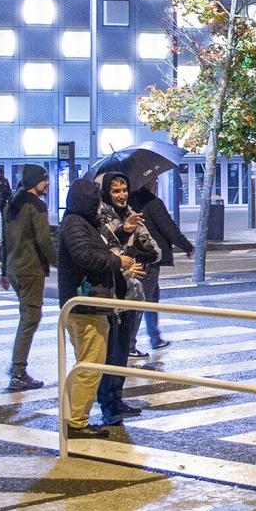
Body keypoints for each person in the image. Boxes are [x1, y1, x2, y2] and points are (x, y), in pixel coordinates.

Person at [55, 176, 141, 441]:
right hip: (86, 306)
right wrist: (118, 262)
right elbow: (86, 256)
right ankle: (76, 422)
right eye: (95, 200)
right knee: (90, 366)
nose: (98, 205)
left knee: (87, 364)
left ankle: (74, 418)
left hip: (90, 303)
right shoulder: (75, 224)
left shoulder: (80, 222)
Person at [93, 170, 161, 423]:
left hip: (132, 293)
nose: (121, 195)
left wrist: (136, 253)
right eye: (116, 191)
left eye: (124, 190)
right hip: (110, 294)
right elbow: (103, 252)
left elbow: (154, 252)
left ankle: (117, 399)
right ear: (107, 193)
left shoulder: (133, 214)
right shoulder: (100, 217)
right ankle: (107, 404)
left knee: (122, 352)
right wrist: (123, 237)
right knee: (109, 354)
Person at [0, 164, 54, 393]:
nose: (47, 183)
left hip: (14, 270)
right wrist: (61, 262)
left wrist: (3, 271)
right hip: (30, 269)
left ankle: (16, 368)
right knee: (30, 320)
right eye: (44, 179)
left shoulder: (11, 205)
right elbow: (44, 241)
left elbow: (5, 241)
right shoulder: (36, 206)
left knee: (26, 318)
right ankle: (18, 372)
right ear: (34, 182)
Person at [128, 173, 194, 354]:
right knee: (141, 302)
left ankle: (155, 337)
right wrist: (187, 246)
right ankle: (130, 345)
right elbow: (168, 227)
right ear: (145, 182)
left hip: (139, 257)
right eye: (153, 179)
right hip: (150, 258)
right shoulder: (152, 203)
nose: (156, 182)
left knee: (151, 299)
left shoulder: (131, 202)